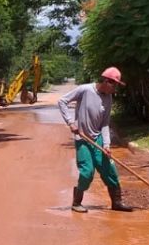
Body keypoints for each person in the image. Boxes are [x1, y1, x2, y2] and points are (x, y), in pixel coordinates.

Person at [57, 67, 133, 213]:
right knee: (87, 172)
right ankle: (76, 202)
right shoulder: (85, 90)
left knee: (110, 170)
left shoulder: (108, 98)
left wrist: (106, 144)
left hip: (98, 138)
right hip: (82, 139)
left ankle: (117, 202)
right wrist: (71, 123)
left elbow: (105, 123)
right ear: (106, 81)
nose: (115, 88)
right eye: (114, 85)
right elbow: (62, 101)